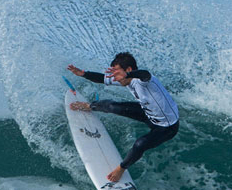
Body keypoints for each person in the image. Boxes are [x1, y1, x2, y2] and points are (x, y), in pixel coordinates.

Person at [67, 52, 180, 183]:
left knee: (140, 144)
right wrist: (83, 74)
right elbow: (102, 78)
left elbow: (145, 74)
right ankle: (90, 106)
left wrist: (127, 76)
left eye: (118, 74)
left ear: (129, 70)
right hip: (148, 114)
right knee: (112, 106)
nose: (116, 78)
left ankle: (121, 169)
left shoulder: (145, 81)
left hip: (167, 127)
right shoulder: (124, 79)